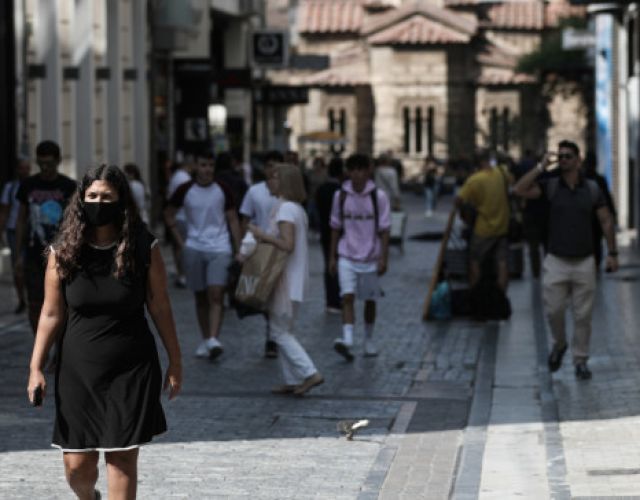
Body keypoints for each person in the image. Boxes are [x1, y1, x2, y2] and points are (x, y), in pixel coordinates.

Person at [27, 164, 182, 500]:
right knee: (77, 469)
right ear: (81, 200)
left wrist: (175, 360)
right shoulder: (63, 252)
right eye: (93, 196)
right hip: (78, 371)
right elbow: (51, 313)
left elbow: (160, 306)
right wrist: (35, 366)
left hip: (131, 367)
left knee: (122, 457)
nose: (99, 203)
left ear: (121, 201)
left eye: (107, 197)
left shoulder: (143, 248)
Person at [513, 140, 618, 380]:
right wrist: (541, 166)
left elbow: (606, 220)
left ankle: (580, 360)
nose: (563, 160)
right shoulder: (550, 186)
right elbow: (519, 189)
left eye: (568, 156)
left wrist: (612, 254)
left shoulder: (592, 188)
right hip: (556, 260)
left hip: (584, 261)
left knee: (583, 316)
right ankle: (559, 344)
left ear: (578, 160)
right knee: (554, 311)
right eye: (560, 156)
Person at [248, 163, 324, 395]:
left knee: (279, 332)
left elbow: (287, 245)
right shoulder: (295, 209)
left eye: (275, 177)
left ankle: (309, 372)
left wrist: (261, 235)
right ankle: (292, 379)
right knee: (283, 329)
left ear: (285, 182)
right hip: (292, 278)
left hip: (284, 279)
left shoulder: (286, 210)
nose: (269, 182)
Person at [165, 151, 242, 360]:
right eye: (203, 165)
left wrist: (238, 249)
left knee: (216, 294)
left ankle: (214, 339)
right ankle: (206, 339)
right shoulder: (185, 190)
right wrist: (181, 243)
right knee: (200, 297)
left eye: (210, 165)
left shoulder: (223, 189)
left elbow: (233, 219)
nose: (207, 169)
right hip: (194, 247)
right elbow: (168, 214)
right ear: (195, 167)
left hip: (220, 248)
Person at [329, 153, 391, 361]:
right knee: (347, 297)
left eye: (360, 169)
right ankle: (347, 339)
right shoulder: (340, 196)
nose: (356, 174)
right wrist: (332, 257)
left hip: (370, 256)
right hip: (346, 254)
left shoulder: (378, 197)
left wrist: (383, 258)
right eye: (352, 169)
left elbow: (385, 229)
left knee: (369, 300)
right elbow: (335, 227)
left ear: (368, 171)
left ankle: (368, 338)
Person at [15, 141, 77, 333]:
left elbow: (75, 221)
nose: (45, 168)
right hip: (34, 254)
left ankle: (60, 344)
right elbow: (21, 220)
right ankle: (40, 341)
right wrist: (18, 254)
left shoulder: (68, 186)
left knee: (61, 302)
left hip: (61, 255)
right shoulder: (28, 185)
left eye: (49, 163)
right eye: (41, 163)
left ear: (58, 161)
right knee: (35, 302)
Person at [239, 152, 281, 358]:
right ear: (264, 169)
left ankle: (272, 337)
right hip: (260, 249)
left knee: (276, 295)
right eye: (270, 165)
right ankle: (272, 333)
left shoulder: (288, 192)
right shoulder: (254, 191)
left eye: (277, 166)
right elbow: (245, 219)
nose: (273, 170)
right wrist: (243, 246)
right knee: (264, 295)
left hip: (282, 249)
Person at [455, 149, 511, 292]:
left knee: (475, 260)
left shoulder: (475, 180)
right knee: (502, 262)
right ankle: (501, 295)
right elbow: (512, 182)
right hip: (502, 225)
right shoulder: (501, 172)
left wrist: (465, 213)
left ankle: (475, 293)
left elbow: (459, 200)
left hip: (484, 228)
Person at [0, 157, 31, 313]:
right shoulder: (10, 188)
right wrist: (1, 230)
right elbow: (4, 211)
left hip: (31, 231)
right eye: (21, 168)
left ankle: (32, 297)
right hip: (13, 230)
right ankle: (21, 299)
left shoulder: (33, 186)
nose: (24, 171)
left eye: (27, 168)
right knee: (17, 265)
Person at [315, 156, 344, 313]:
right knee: (340, 265)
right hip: (340, 233)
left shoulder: (321, 189)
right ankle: (338, 297)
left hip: (325, 232)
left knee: (329, 264)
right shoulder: (342, 191)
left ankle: (330, 300)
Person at [583, 151, 617, 270]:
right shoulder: (599, 179)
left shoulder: (584, 179)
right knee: (596, 244)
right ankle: (595, 267)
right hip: (596, 220)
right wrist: (613, 214)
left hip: (589, 219)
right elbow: (607, 199)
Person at [166, 158, 194, 288]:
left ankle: (181, 274)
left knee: (177, 247)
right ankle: (183, 274)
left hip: (178, 216)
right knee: (181, 247)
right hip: (182, 216)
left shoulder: (176, 177)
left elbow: (169, 196)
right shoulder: (185, 178)